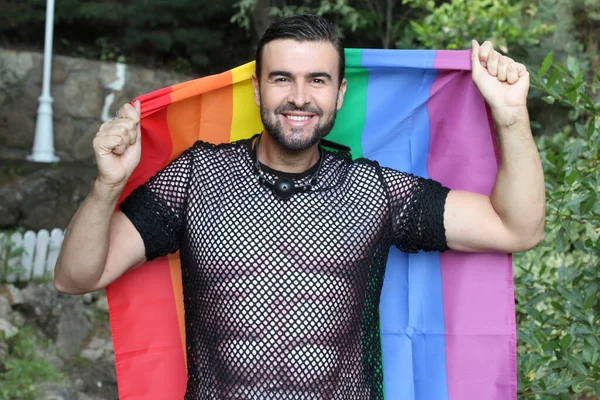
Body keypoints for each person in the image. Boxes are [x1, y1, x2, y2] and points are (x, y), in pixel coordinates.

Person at [54, 14, 545, 400]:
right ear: (257, 88)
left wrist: (510, 116)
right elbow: (74, 277)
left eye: (317, 80)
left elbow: (516, 228)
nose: (298, 97)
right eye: (282, 78)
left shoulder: (375, 193)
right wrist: (107, 185)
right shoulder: (196, 178)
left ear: (339, 92)